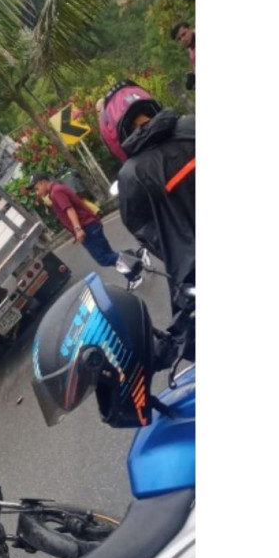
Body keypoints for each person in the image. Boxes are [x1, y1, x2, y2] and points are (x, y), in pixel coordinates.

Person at [97, 79, 195, 357]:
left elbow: (154, 239)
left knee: (186, 347)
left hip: (193, 276)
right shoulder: (192, 125)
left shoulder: (131, 176)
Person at [27, 172, 144, 291]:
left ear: (42, 182)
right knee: (108, 255)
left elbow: (70, 210)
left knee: (103, 258)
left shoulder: (56, 192)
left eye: (36, 189)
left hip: (87, 227)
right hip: (89, 226)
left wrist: (77, 229)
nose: (37, 192)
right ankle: (133, 276)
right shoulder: (55, 191)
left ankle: (138, 257)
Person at [170, 21, 195, 91]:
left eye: (184, 34)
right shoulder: (191, 50)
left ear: (190, 29)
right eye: (179, 39)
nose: (183, 39)